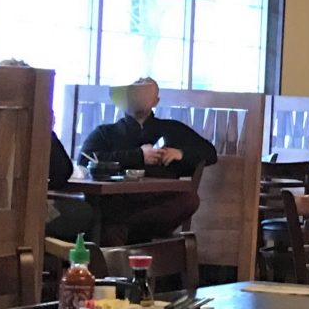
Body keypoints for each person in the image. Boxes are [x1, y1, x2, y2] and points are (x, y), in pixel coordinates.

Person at [78, 78, 219, 242]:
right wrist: (138, 155)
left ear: (155, 101)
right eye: (135, 92)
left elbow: (209, 153)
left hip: (156, 206)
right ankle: (126, 226)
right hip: (118, 201)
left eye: (145, 93)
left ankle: (128, 223)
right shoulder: (106, 132)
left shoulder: (172, 129)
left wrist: (180, 153)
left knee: (189, 200)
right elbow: (85, 159)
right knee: (108, 227)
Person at [0, 58, 93, 242]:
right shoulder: (17, 124)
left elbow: (61, 173)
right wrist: (46, 130)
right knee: (83, 212)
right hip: (13, 207)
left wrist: (46, 129)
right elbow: (60, 174)